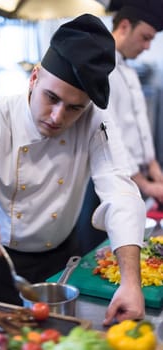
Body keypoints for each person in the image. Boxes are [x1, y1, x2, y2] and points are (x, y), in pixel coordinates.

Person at [0, 14, 146, 325]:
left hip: (59, 263)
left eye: (74, 107)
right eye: (52, 98)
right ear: (34, 78)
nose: (58, 117)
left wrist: (130, 282)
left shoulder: (94, 123)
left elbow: (121, 192)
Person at [76, 0, 163, 255]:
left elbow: (140, 129)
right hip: (103, 183)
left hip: (134, 178)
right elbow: (109, 134)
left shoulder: (130, 71)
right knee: (99, 253)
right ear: (124, 26)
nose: (147, 47)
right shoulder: (100, 68)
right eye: (145, 38)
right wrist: (147, 186)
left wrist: (155, 169)